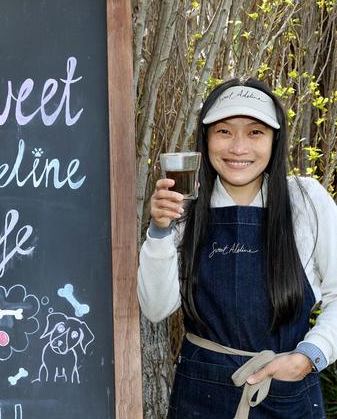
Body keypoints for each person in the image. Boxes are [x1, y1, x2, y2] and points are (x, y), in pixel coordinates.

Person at [138, 78, 337, 418]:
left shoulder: (305, 201)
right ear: (206, 139)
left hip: (286, 394)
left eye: (255, 132)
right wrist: (159, 231)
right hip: (200, 396)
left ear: (275, 140)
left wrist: (310, 356)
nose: (238, 148)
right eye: (224, 132)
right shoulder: (185, 208)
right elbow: (156, 309)